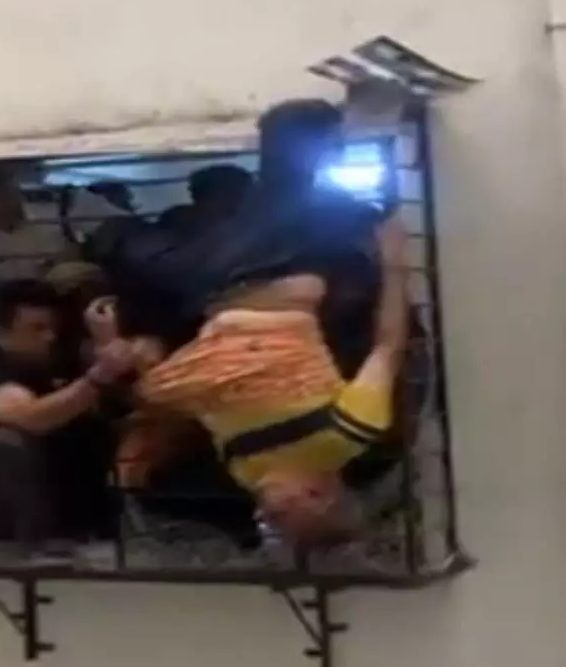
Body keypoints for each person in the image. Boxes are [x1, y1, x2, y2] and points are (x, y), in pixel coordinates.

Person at [90, 99, 410, 546]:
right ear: (319, 495)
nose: (264, 512)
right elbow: (387, 347)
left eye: (268, 521)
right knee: (287, 172)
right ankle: (327, 125)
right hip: (278, 269)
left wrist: (130, 358)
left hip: (212, 292)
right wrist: (396, 264)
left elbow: (209, 397)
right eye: (280, 516)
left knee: (124, 249)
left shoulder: (244, 470)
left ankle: (316, 143)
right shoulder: (348, 435)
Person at [0, 279, 136, 554]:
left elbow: (108, 400)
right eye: (36, 329)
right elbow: (31, 417)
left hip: (57, 504)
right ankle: (27, 548)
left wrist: (107, 346)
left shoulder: (51, 356)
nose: (49, 337)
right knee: (9, 441)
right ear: (2, 331)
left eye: (51, 328)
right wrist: (99, 376)